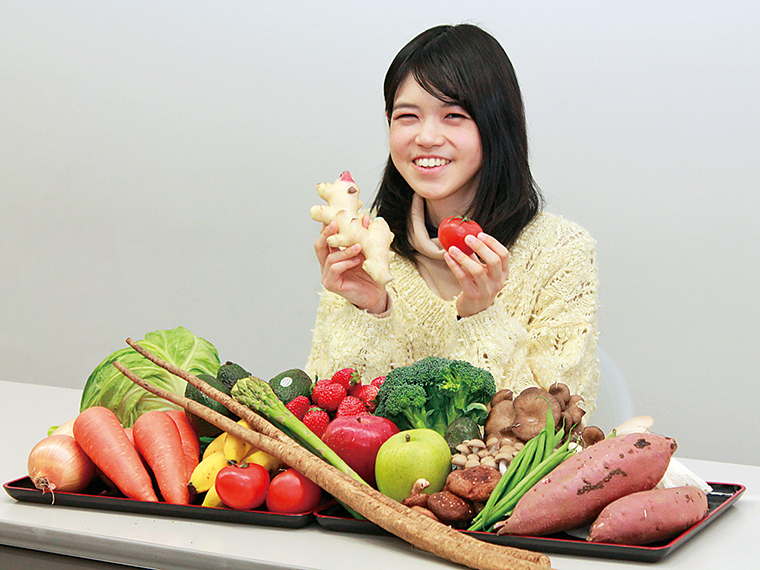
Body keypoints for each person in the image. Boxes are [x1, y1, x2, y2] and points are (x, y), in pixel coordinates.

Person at [306, 23, 598, 409]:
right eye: (407, 116)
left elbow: (555, 428)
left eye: (454, 115)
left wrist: (482, 316)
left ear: (496, 125)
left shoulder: (562, 252)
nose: (426, 137)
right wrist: (368, 308)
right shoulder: (366, 241)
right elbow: (326, 414)